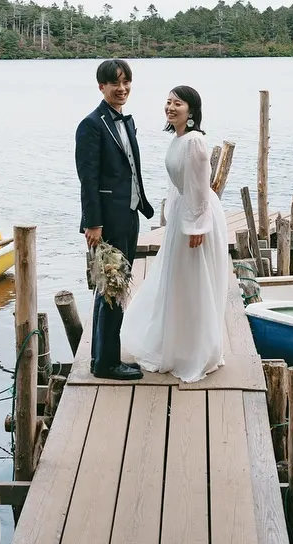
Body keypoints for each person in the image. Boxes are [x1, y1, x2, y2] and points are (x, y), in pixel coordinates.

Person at [121, 85, 227, 383]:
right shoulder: (178, 139)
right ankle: (175, 341)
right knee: (177, 278)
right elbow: (178, 184)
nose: (170, 107)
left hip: (196, 215)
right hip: (181, 210)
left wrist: (197, 227)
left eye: (177, 103)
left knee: (193, 279)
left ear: (191, 111)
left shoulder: (195, 142)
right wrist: (171, 216)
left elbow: (199, 187)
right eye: (168, 102)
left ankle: (196, 349)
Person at [75, 59, 155, 380]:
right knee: (112, 289)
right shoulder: (91, 125)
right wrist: (93, 223)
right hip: (107, 220)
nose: (121, 89)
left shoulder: (125, 121)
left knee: (112, 288)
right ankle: (107, 364)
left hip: (130, 214)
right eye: (114, 84)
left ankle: (102, 357)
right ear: (101, 87)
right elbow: (88, 179)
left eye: (126, 83)